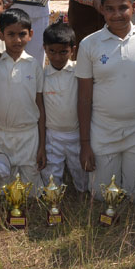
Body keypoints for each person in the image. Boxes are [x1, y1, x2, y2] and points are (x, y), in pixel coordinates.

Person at [77, 0, 135, 203]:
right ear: (101, 9)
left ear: (134, 7)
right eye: (110, 9)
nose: (117, 15)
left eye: (123, 8)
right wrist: (85, 143)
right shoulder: (89, 44)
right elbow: (84, 98)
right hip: (104, 130)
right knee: (102, 197)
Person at [0, 8, 47, 191]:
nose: (17, 40)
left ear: (31, 34)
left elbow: (40, 106)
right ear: (1, 35)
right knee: (2, 189)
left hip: (28, 135)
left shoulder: (34, 66)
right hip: (1, 134)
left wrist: (41, 145)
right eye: (11, 34)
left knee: (31, 190)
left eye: (22, 34)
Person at [40, 22, 88, 192]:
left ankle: (82, 195)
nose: (57, 57)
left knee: (80, 170)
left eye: (63, 52)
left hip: (76, 133)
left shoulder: (80, 71)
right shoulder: (42, 74)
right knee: (51, 173)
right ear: (45, 48)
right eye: (52, 51)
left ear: (72, 50)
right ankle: (54, 201)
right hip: (52, 134)